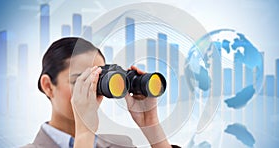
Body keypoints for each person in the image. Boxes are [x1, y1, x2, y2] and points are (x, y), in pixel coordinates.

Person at [22, 37, 179, 148]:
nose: (90, 91)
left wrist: (150, 124)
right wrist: (84, 134)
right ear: (48, 86)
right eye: (80, 81)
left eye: (97, 83)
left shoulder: (122, 145)